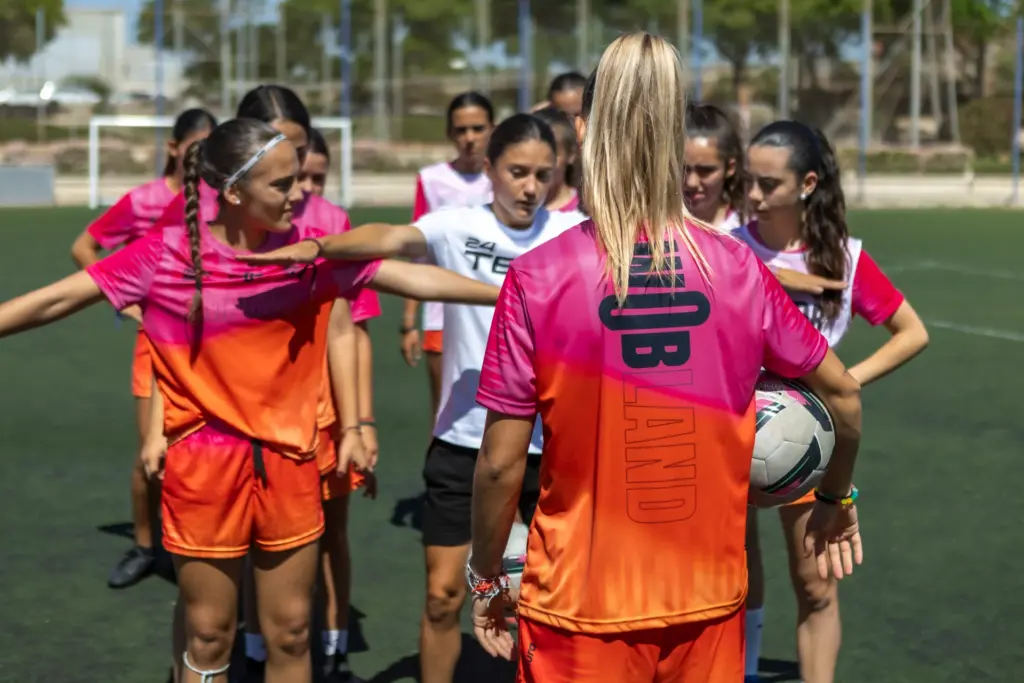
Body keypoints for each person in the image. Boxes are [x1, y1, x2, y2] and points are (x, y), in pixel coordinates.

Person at [0, 118, 501, 683]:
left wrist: (518, 292)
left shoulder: (308, 256)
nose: (300, 195)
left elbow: (415, 279)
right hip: (204, 473)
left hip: (289, 468)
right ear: (234, 191)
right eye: (282, 185)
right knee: (209, 634)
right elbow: (53, 301)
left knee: (290, 633)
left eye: (298, 181)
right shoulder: (162, 256)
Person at [464, 33, 865, 683]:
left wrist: (486, 577)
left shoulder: (539, 277)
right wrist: (835, 494)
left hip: (579, 605)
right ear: (673, 137)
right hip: (707, 602)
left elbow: (502, 462)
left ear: (583, 129)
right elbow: (843, 395)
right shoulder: (738, 267)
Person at [239, 112, 587, 683]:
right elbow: (389, 239)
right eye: (517, 171)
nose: (529, 186)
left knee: (555, 601)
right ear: (491, 170)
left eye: (542, 174)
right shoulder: (455, 225)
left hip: (551, 443)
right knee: (443, 597)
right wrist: (320, 246)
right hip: (462, 441)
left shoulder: (570, 234)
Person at [739, 121, 929, 683]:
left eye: (769, 183)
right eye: (749, 180)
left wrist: (838, 386)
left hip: (803, 445)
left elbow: (912, 332)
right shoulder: (726, 249)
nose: (753, 194)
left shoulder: (843, 259)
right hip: (726, 437)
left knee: (816, 583)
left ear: (808, 183)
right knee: (731, 579)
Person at [70, 107, 217, 589]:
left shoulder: (220, 201)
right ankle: (144, 544)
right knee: (150, 454)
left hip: (207, 344)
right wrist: (127, 304)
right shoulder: (145, 201)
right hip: (155, 342)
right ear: (174, 148)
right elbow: (84, 247)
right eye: (194, 147)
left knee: (199, 452)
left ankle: (188, 545)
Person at [402, 92, 495, 434]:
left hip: (494, 311)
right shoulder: (431, 180)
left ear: (492, 129)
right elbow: (418, 251)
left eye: (477, 128)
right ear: (450, 134)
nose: (469, 137)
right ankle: (439, 487)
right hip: (442, 312)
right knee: (444, 413)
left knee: (497, 414)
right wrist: (410, 320)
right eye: (461, 130)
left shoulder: (505, 178)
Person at [682, 102, 743, 232]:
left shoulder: (745, 231)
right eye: (683, 170)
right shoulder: (656, 228)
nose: (691, 182)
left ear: (730, 168)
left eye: (706, 171)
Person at [531, 107, 581, 212]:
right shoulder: (508, 213)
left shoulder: (586, 213)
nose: (541, 164)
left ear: (571, 154)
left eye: (551, 154)